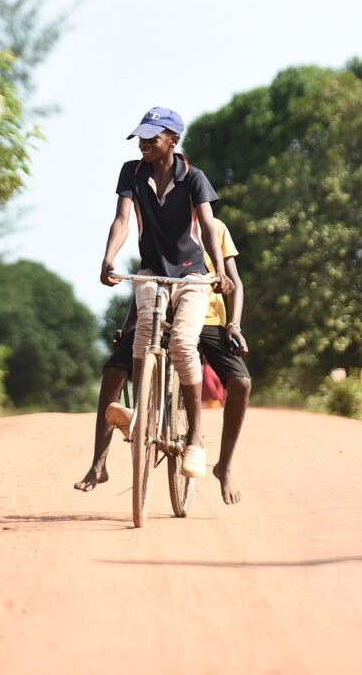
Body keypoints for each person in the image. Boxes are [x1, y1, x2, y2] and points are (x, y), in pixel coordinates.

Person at [100, 107, 234, 480]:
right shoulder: (132, 172)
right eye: (141, 137)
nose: (144, 143)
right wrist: (108, 259)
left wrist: (218, 272)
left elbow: (207, 227)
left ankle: (195, 438)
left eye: (152, 137)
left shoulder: (193, 178)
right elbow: (122, 219)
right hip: (151, 273)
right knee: (143, 336)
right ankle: (142, 414)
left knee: (182, 345)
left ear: (173, 140)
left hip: (192, 275)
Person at [197, 218, 252, 505]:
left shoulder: (216, 229)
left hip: (211, 322)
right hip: (170, 318)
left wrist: (234, 324)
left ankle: (225, 465)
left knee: (241, 381)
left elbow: (235, 284)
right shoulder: (161, 219)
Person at [73, 301, 136, 492]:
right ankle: (98, 465)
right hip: (148, 325)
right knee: (112, 371)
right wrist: (126, 329)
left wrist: (231, 323)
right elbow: (141, 289)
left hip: (189, 323)